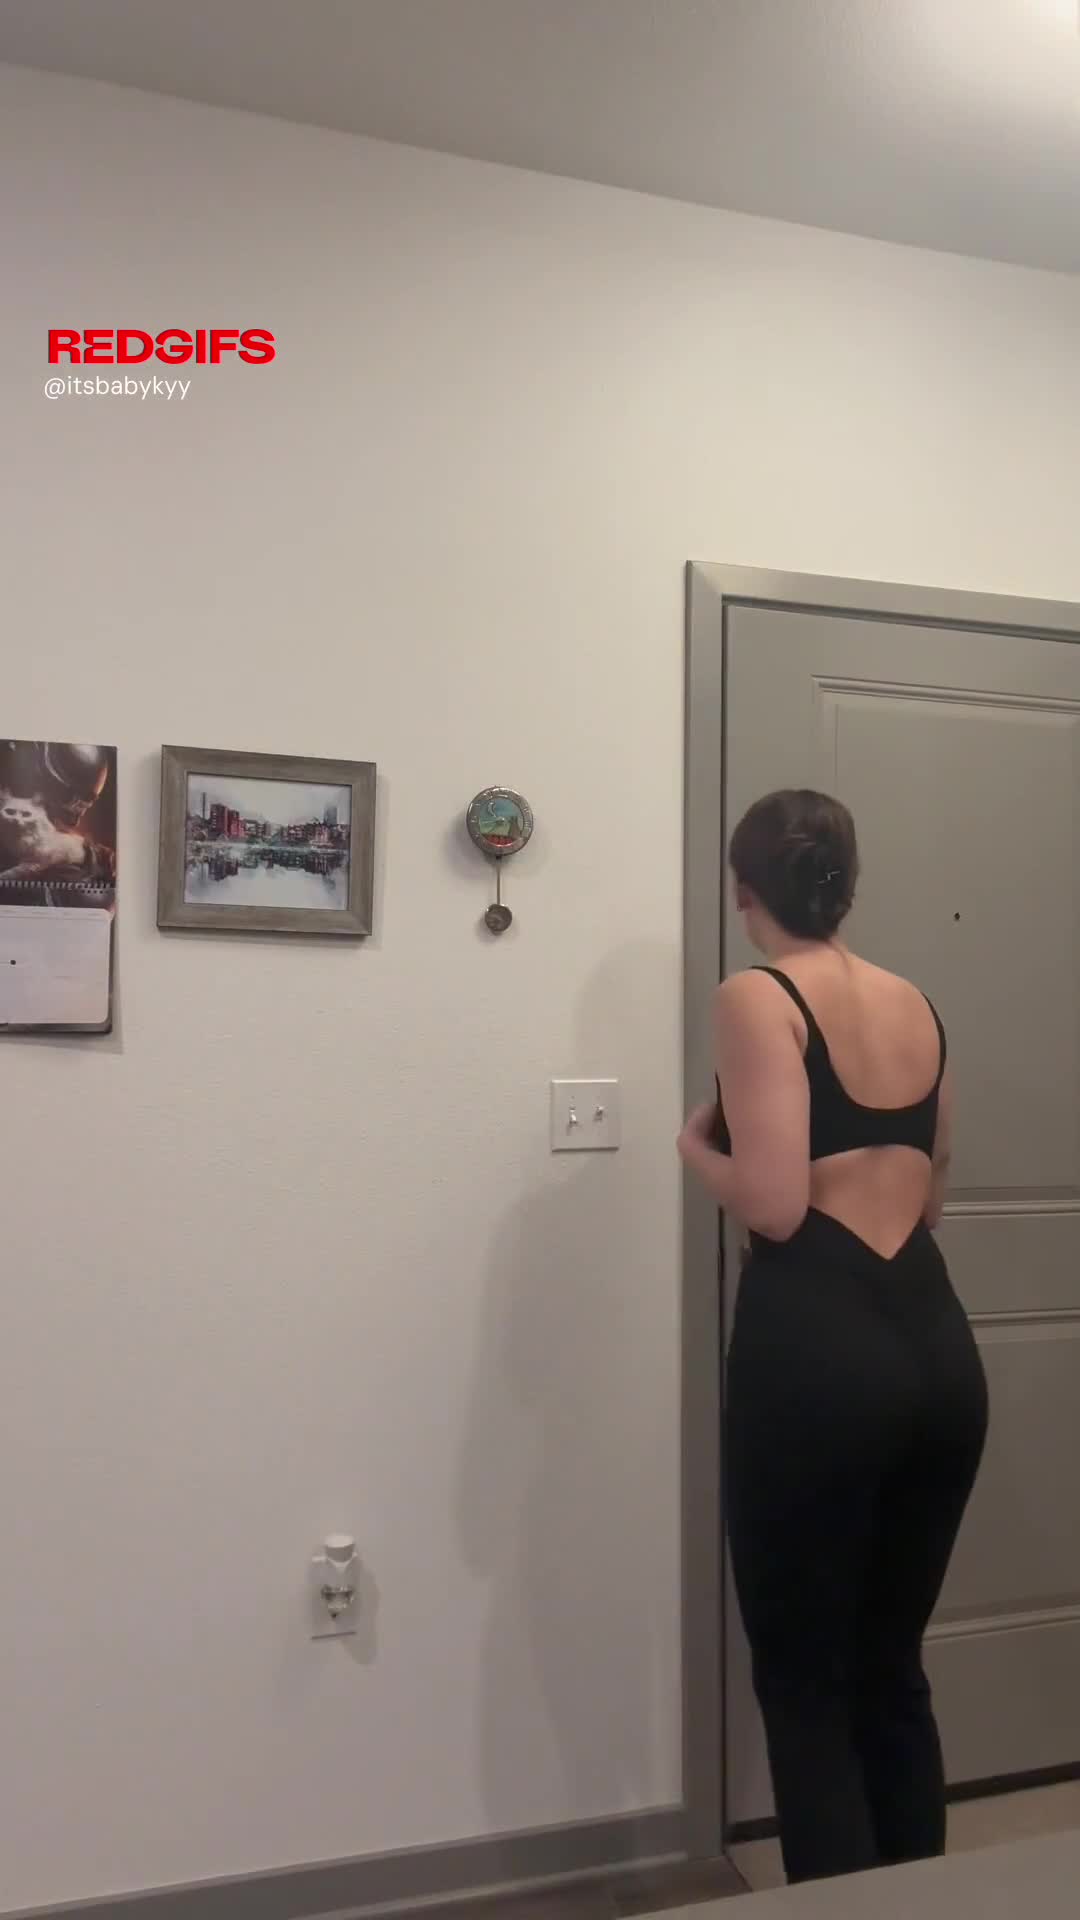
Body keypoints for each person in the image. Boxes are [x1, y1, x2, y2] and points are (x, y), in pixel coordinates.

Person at [677, 789, 988, 1886]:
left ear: (744, 889)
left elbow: (772, 1205)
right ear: (844, 886)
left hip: (818, 1356)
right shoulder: (917, 1003)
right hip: (938, 1353)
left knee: (805, 1686)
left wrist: (695, 1150)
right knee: (891, 1669)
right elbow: (931, 1198)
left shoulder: (755, 995)